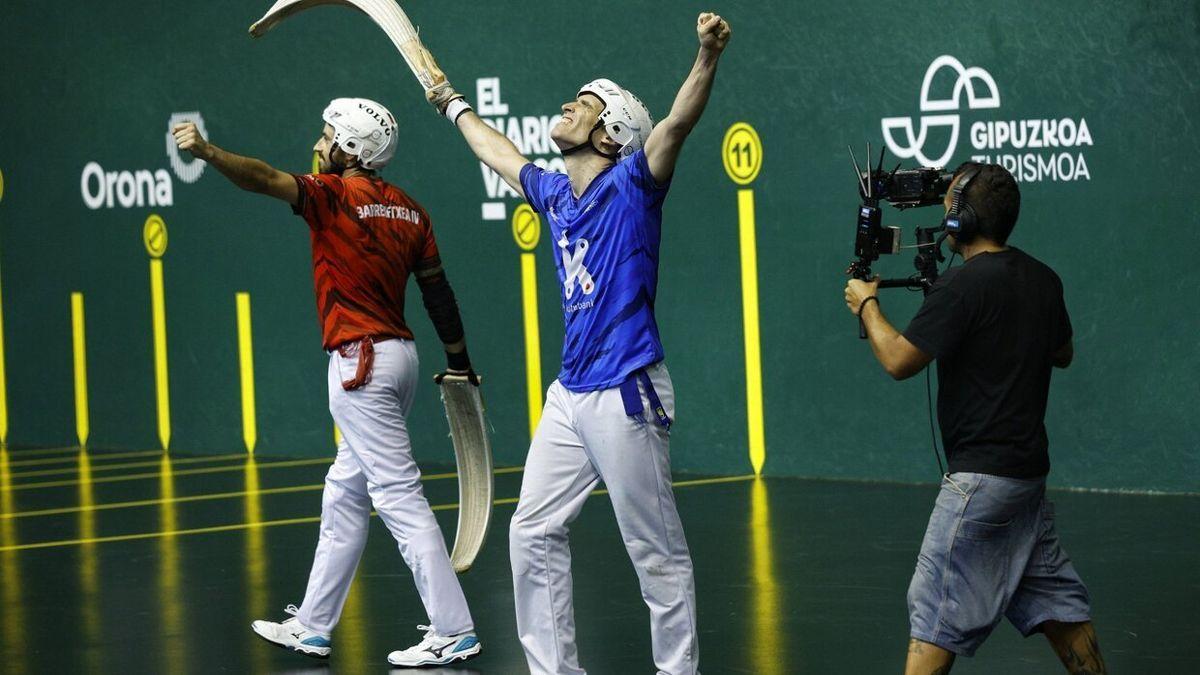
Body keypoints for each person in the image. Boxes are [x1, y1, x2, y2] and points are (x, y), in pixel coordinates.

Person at [411, 11, 730, 675]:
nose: (567, 104)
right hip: (571, 393)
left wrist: (706, 56)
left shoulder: (633, 185)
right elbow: (498, 152)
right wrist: (451, 103)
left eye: (583, 103)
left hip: (626, 390)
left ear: (612, 133)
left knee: (656, 552)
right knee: (531, 530)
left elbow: (676, 123)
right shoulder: (556, 194)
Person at [172, 98, 482, 668]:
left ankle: (454, 627)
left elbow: (264, 179)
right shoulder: (412, 212)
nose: (318, 144)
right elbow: (438, 293)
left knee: (397, 496)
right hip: (401, 358)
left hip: (360, 363)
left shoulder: (332, 195)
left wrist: (209, 152)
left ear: (351, 150)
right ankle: (313, 626)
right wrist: (459, 359)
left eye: (327, 136)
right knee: (344, 492)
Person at [843, 162, 1106, 674]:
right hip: (1027, 480)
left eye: (949, 206)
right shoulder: (1043, 279)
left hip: (980, 486)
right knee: (1060, 608)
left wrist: (867, 305)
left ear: (962, 220)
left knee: (934, 611)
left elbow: (899, 360)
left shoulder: (961, 289)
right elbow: (1063, 352)